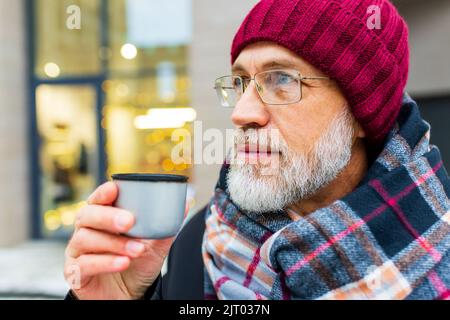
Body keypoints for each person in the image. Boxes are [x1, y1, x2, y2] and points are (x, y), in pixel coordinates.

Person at [64, 0, 450, 300]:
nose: (242, 113)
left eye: (281, 79)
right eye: (240, 82)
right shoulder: (202, 237)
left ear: (360, 116)